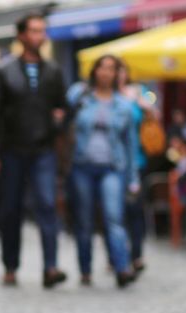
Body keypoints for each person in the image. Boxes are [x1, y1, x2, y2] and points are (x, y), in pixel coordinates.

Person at [0, 12, 68, 288]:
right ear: (21, 35)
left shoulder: (54, 71)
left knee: (47, 205)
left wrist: (59, 121)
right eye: (34, 31)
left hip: (43, 149)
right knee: (11, 209)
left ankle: (51, 267)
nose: (39, 36)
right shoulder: (4, 71)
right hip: (11, 149)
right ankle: (11, 265)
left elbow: (62, 107)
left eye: (42, 31)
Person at [66, 55, 138, 288]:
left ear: (117, 74)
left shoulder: (124, 105)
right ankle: (85, 269)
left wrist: (133, 177)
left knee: (113, 217)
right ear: (95, 71)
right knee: (84, 220)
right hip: (82, 166)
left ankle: (122, 268)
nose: (106, 73)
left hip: (112, 168)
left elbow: (131, 144)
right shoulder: (80, 97)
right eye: (102, 68)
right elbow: (63, 118)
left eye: (112, 69)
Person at [117, 60, 157, 273]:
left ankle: (137, 254)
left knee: (135, 208)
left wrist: (144, 105)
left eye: (122, 71)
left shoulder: (139, 91)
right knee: (115, 211)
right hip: (112, 162)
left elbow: (154, 117)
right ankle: (117, 254)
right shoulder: (105, 95)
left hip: (137, 160)